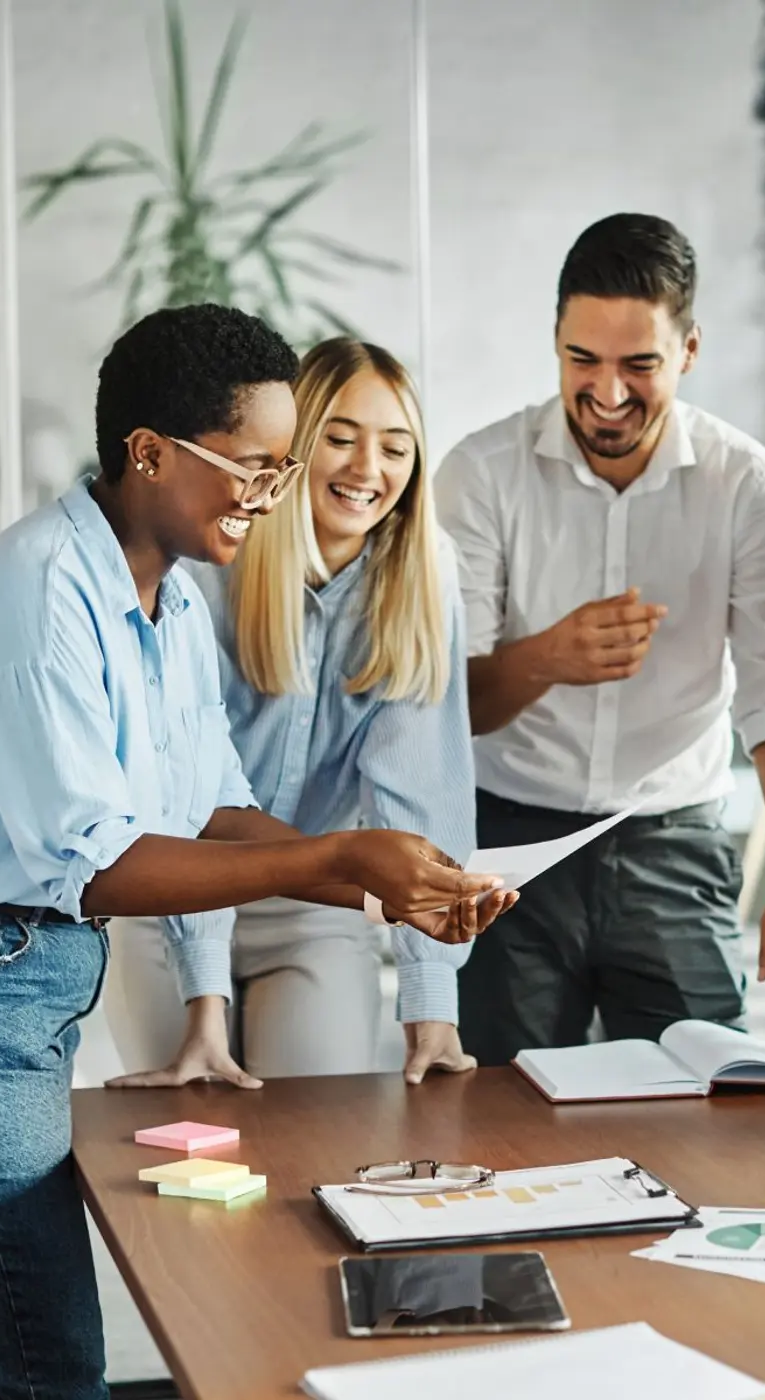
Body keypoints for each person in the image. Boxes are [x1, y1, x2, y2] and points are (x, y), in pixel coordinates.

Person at [0, 304, 510, 1400]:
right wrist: (331, 863)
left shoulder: (167, 598)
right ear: (148, 453)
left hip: (17, 972)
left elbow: (209, 802)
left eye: (282, 469)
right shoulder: (39, 600)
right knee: (51, 1350)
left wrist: (369, 869)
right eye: (255, 466)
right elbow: (100, 865)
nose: (271, 496)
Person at [435, 212, 765, 1067]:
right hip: (508, 843)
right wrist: (548, 657)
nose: (609, 392)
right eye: (583, 360)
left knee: (707, 1106)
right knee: (500, 1117)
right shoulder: (480, 474)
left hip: (672, 842)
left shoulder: (746, 483)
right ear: (554, 339)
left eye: (640, 365)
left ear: (689, 351)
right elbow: (444, 705)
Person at [104, 338, 477, 1088]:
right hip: (169, 903)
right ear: (290, 450)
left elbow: (421, 796)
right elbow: (190, 803)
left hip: (315, 906)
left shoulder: (422, 580)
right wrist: (203, 1000)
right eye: (340, 439)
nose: (368, 469)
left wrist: (432, 1001)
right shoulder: (210, 566)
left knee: (317, 1132)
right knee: (188, 1143)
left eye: (395, 448)